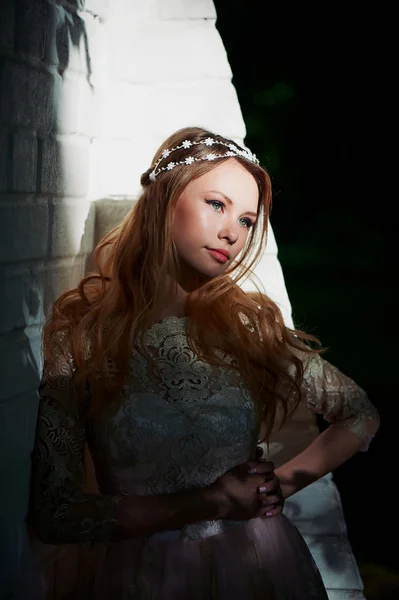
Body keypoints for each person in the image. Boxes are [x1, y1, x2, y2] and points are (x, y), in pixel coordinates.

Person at [31, 126, 380, 599]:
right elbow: (56, 514)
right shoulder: (84, 334)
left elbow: (358, 413)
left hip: (260, 567)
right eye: (216, 204)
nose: (231, 233)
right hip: (144, 578)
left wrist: (278, 485)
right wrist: (209, 501)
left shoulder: (249, 325)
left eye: (248, 220)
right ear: (165, 198)